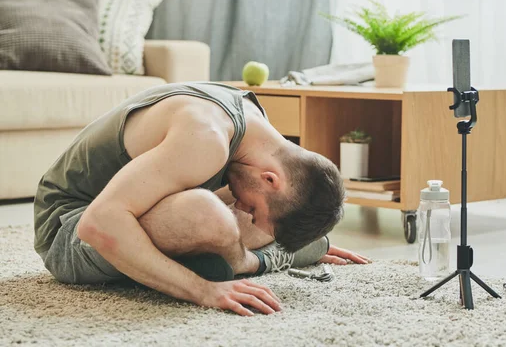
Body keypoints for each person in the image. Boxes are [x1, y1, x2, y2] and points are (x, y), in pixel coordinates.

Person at [33, 82, 369, 317]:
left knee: (233, 215)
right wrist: (203, 290)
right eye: (252, 210)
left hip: (139, 208)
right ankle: (256, 261)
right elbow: (99, 224)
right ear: (271, 179)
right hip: (69, 231)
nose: (243, 210)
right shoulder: (206, 138)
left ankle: (252, 254)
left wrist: (303, 232)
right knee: (206, 214)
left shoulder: (255, 128)